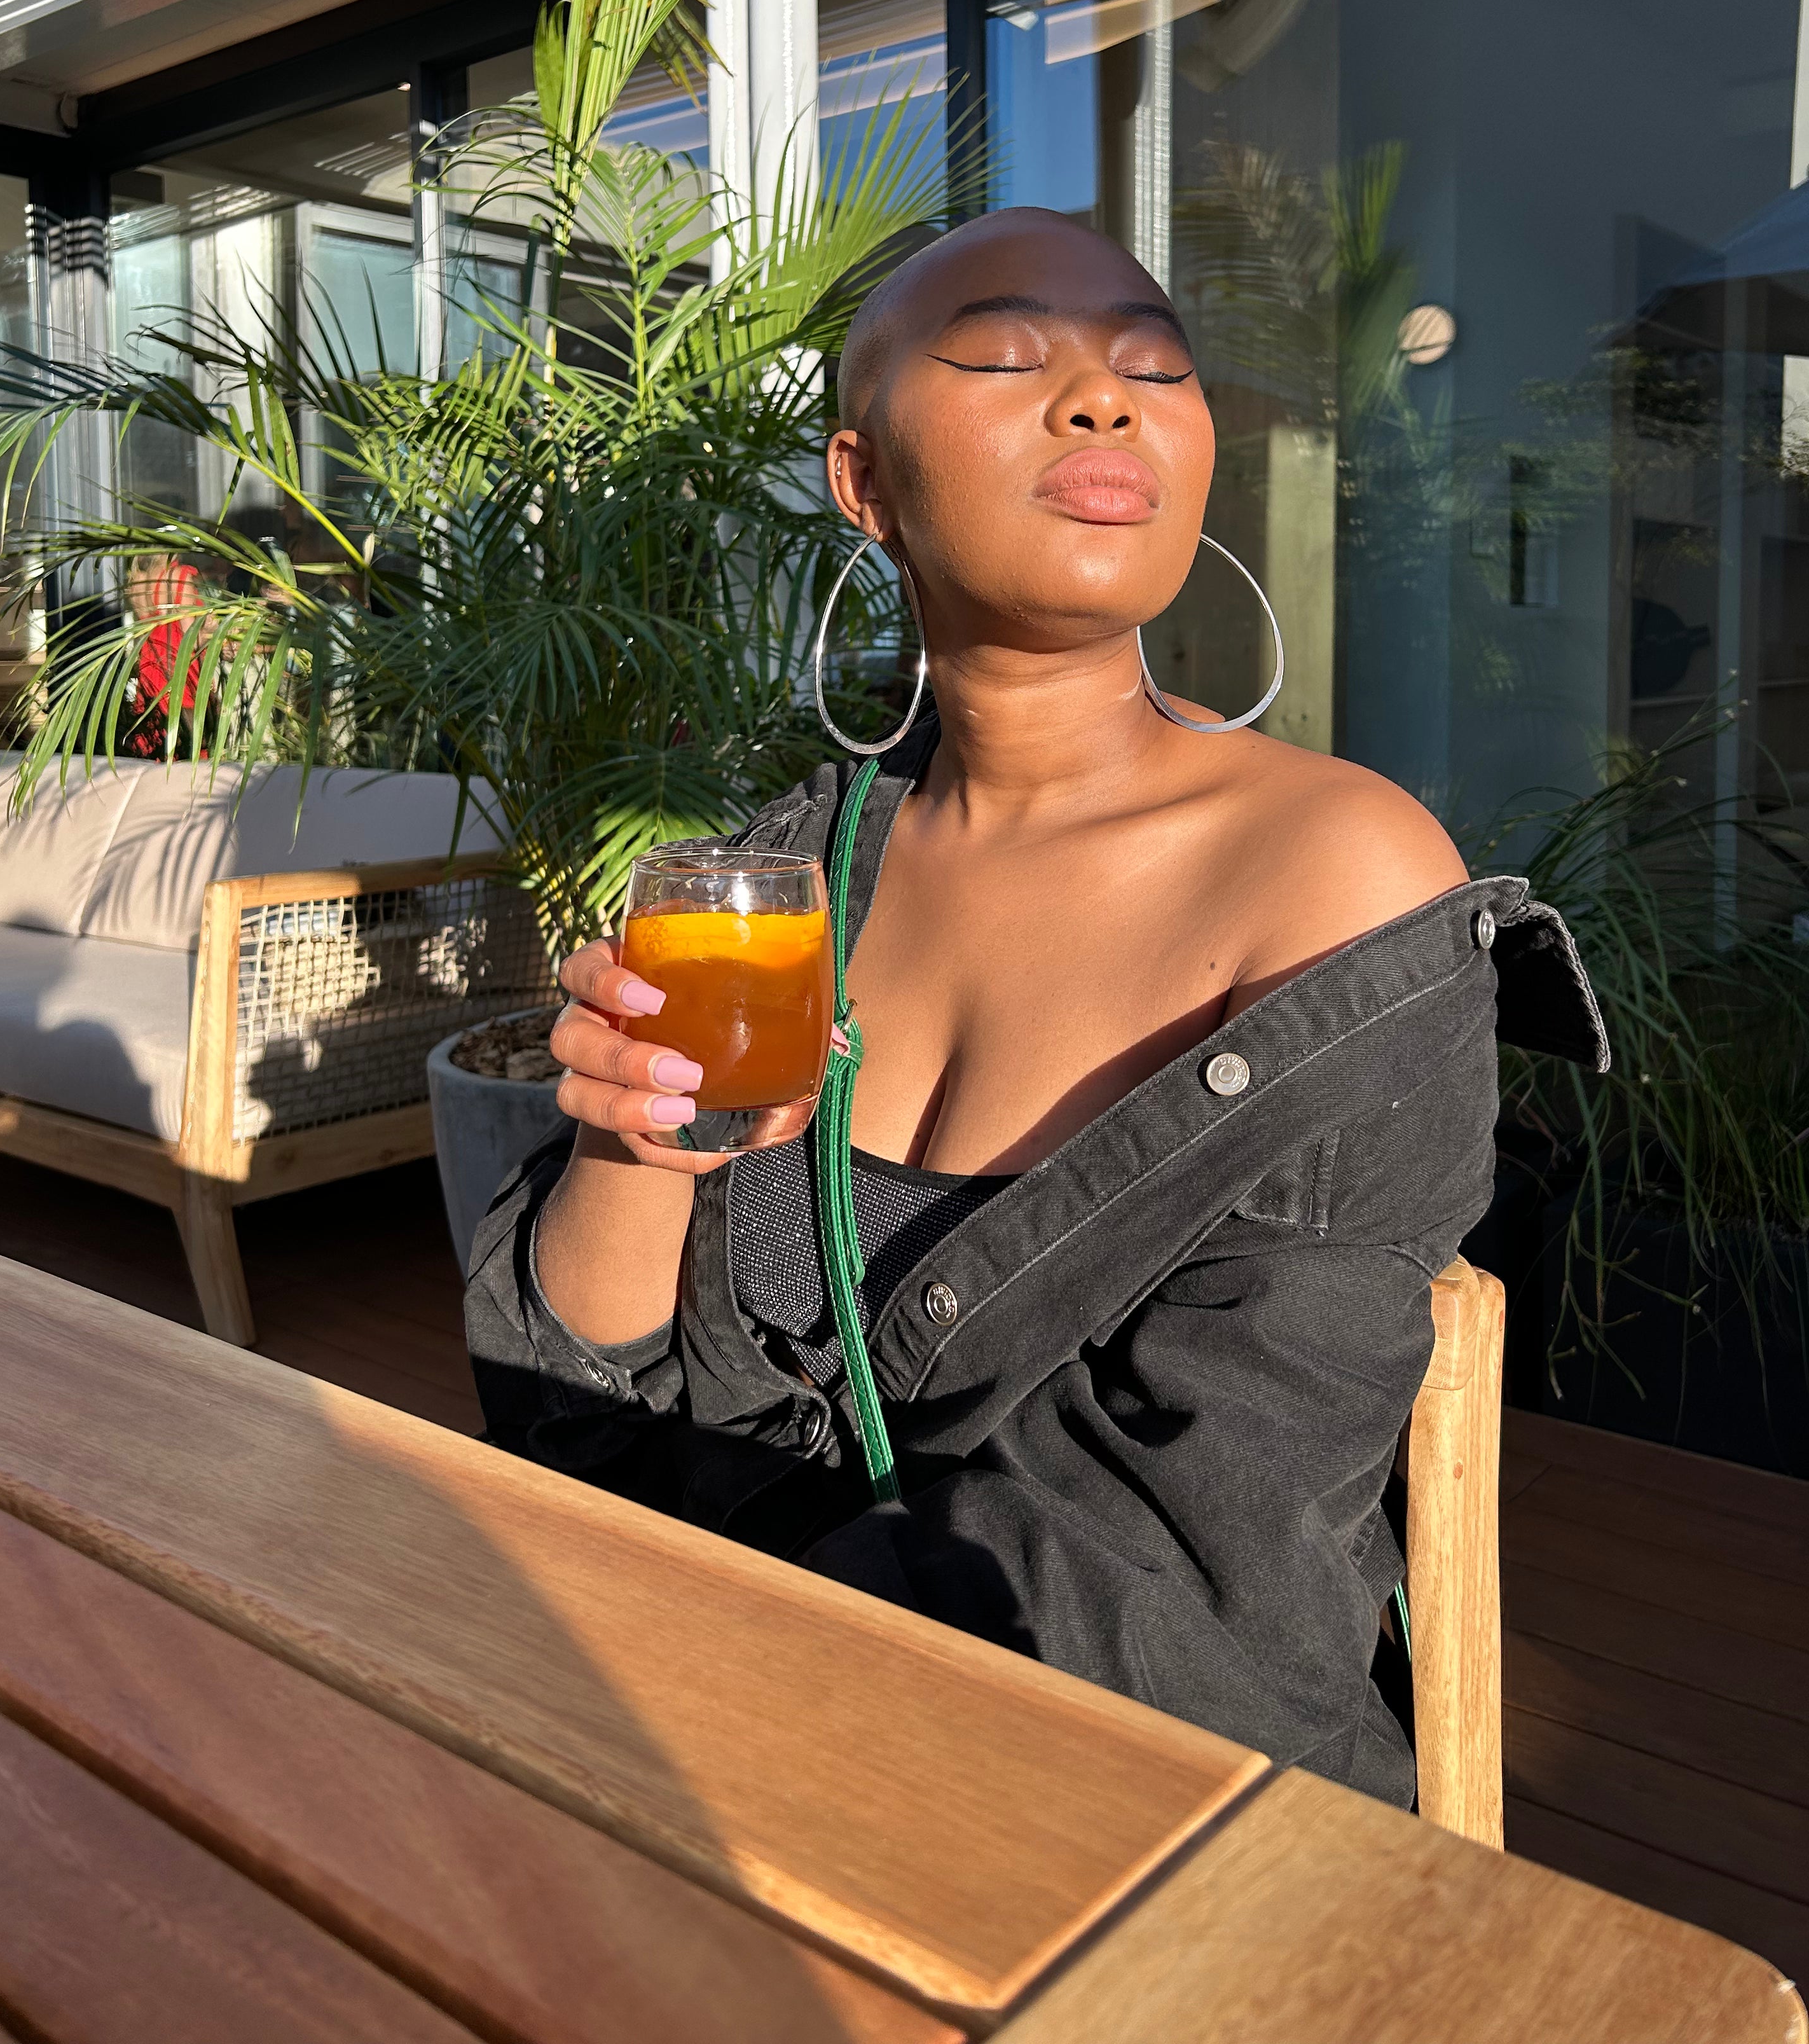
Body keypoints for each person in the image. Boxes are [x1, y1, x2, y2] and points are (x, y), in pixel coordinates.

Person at [467, 207, 1606, 1803]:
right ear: (864, 482)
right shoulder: (780, 879)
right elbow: (572, 1419)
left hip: (1112, 1799)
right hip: (672, 1713)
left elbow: (1194, 1574)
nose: (1103, 399)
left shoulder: (1335, 876)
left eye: (1156, 368)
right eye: (1007, 357)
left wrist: (684, 1676)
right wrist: (632, 1150)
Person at [123, 549, 204, 756]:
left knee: (157, 739)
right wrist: (214, 631)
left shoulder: (137, 580)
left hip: (151, 666)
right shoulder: (179, 576)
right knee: (190, 745)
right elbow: (192, 639)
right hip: (179, 666)